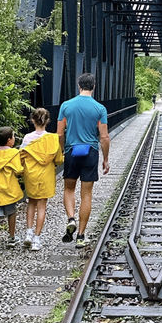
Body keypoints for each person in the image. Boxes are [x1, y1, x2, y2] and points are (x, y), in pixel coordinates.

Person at [57, 73, 110, 248]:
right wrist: (105, 159)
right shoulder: (99, 109)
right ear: (93, 87)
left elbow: (59, 133)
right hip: (90, 152)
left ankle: (71, 218)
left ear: (79, 86)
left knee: (69, 189)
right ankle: (80, 235)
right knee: (86, 194)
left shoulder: (66, 106)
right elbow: (104, 137)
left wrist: (62, 151)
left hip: (72, 151)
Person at [19, 108, 64, 251]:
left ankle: (28, 233)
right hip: (46, 175)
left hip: (31, 174)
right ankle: (37, 239)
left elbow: (20, 157)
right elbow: (58, 159)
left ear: (33, 120)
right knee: (42, 206)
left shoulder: (27, 138)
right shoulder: (52, 139)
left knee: (31, 202)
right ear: (48, 121)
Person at [0, 127, 23, 255]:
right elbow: (18, 170)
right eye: (13, 137)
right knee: (11, 212)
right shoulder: (14, 153)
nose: (14, 139)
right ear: (9, 140)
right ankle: (12, 238)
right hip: (9, 188)